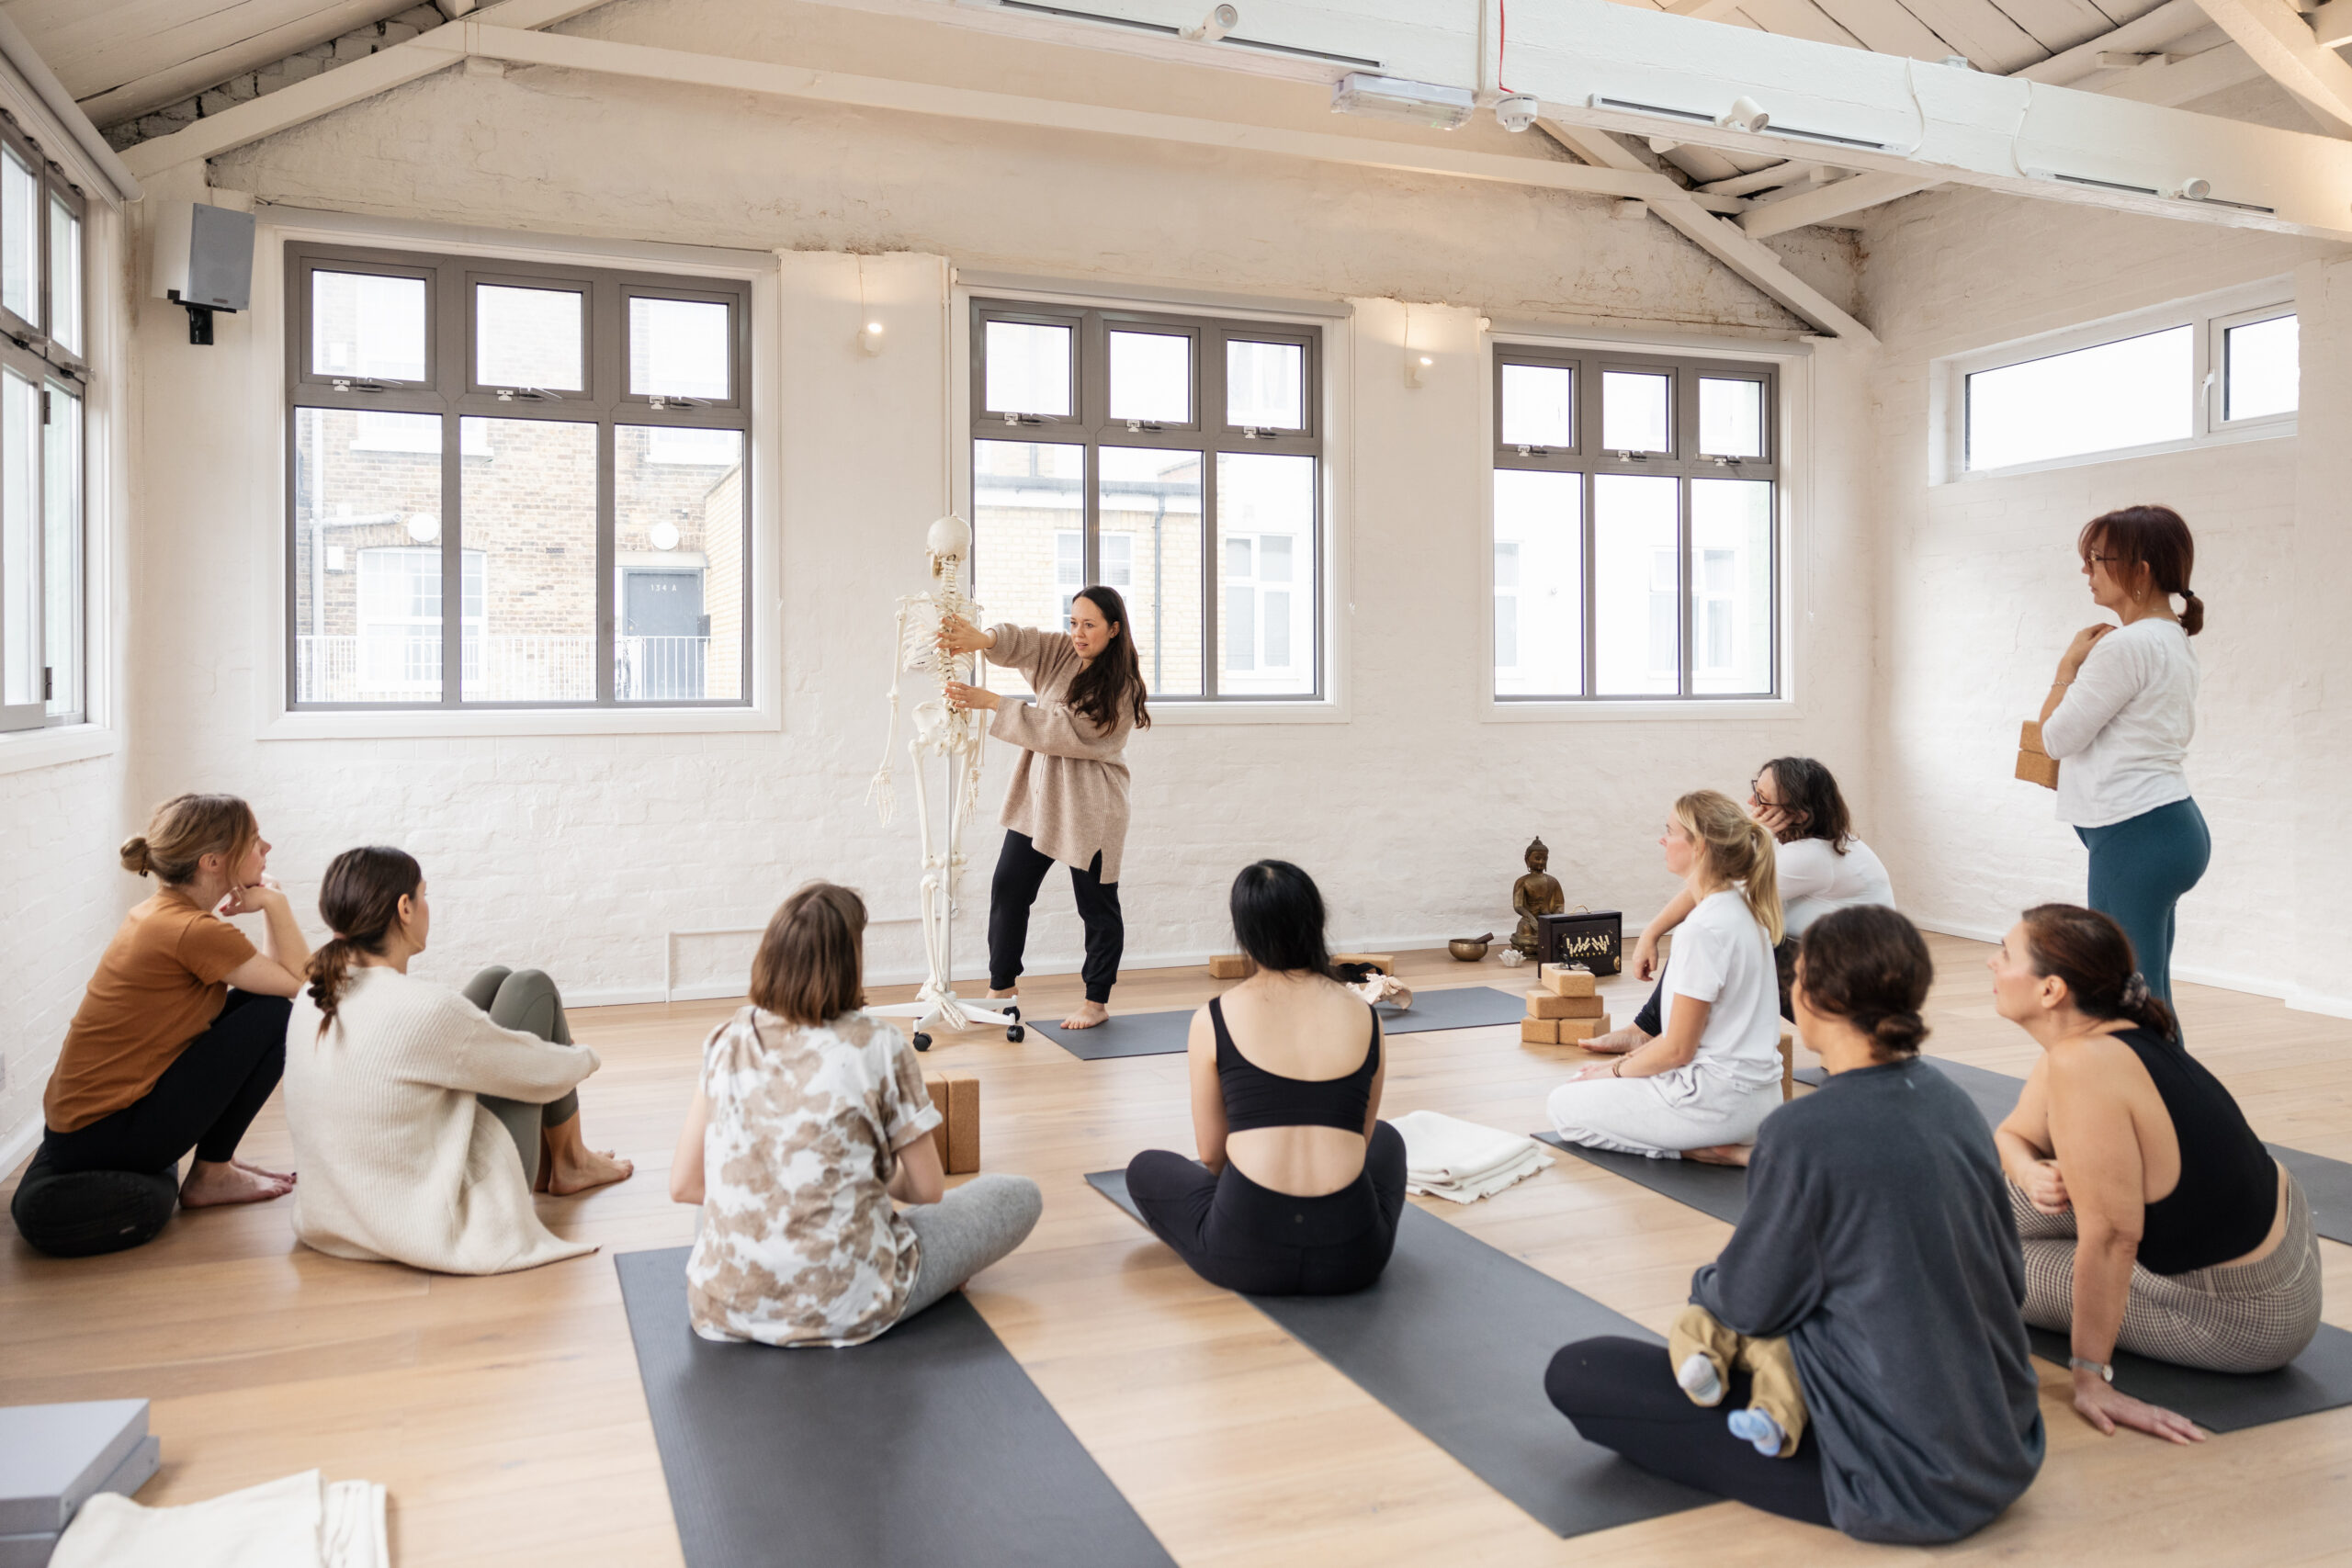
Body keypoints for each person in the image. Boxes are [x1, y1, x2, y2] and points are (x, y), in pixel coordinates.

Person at [1547, 907, 2045, 1543]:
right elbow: (2010, 1278)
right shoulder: (1955, 1104)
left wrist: (1708, 1285)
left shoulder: (1802, 1131)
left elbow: (1748, 1302)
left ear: (1817, 996)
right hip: (2006, 1442)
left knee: (1583, 1370)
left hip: (1906, 1480)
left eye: (1799, 979)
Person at [1990, 903, 2320, 1440]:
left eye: (2005, 954)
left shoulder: (2083, 1063)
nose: (1991, 963)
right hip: (2274, 1236)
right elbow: (2013, 1136)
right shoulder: (2093, 1040)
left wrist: (2090, 1378)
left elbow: (2115, 1237)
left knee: (1970, 1260)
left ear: (2050, 990)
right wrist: (2029, 1173)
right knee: (1986, 1205)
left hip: (2248, 1311)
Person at [672, 881, 1042, 1347]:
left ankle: (759, 1270)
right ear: (851, 963)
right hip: (850, 1306)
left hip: (718, 1308)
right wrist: (854, 1176)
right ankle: (898, 1273)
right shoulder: (878, 1043)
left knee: (735, 1189)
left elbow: (686, 1185)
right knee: (1017, 1195)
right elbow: (927, 1190)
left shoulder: (726, 1038)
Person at [281, 847, 632, 1275]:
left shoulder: (313, 993)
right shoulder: (422, 1009)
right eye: (424, 896)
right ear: (404, 908)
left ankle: (568, 1161)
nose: (428, 907)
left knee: (495, 979)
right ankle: (572, 1163)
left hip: (336, 1218)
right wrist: (581, 1054)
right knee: (530, 986)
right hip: (435, 1222)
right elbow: (543, 1074)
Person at [1125, 861, 1406, 1295]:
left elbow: (1213, 1156)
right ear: (1317, 923)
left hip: (1244, 1253)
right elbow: (1362, 1141)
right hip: (1352, 1258)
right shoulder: (1366, 1017)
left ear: (1244, 934)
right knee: (1388, 1139)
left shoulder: (1212, 1017)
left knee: (1146, 1168)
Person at [37, 794, 309, 1213]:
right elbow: (300, 983)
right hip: (102, 1135)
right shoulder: (193, 931)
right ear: (213, 862)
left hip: (80, 1131)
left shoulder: (160, 913)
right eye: (255, 839)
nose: (266, 849)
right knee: (275, 1017)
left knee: (262, 1004)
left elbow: (278, 981)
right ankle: (212, 1175)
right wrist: (275, 902)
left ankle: (219, 1165)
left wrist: (270, 902)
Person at [939, 585, 1148, 1031]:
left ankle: (1096, 1001)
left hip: (1092, 808)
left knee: (1096, 905)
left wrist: (994, 703)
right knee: (1009, 887)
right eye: (1074, 622)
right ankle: (1002, 991)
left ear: (1114, 629)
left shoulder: (1122, 688)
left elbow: (1062, 731)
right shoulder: (1063, 653)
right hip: (1040, 800)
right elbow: (1026, 641)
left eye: (1089, 625)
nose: (1078, 632)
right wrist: (986, 639)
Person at [1593, 757, 1890, 1052]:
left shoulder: (1810, 857)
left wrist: (1651, 934)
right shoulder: (1811, 843)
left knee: (1718, 930)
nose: (1750, 800)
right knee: (1733, 925)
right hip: (1846, 984)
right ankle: (1670, 1029)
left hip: (1854, 1007)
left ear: (1798, 815)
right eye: (1754, 788)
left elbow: (1712, 889)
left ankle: (1646, 1030)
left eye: (1763, 799)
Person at [1547, 792, 1783, 1160]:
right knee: (1595, 1081)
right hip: (1762, 1102)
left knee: (1564, 1105)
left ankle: (1708, 1152)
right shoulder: (1744, 906)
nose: (1662, 839)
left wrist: (1611, 1074)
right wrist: (1614, 1067)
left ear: (1700, 846)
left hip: (1716, 1106)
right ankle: (1716, 1144)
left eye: (1669, 831)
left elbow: (1677, 1049)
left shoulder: (1703, 929)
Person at [2037, 504, 2207, 1012]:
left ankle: (2149, 1088)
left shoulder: (2125, 648)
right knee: (2147, 985)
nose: (2086, 572)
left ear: (2140, 569)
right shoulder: (2171, 637)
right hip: (2165, 827)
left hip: (2135, 835)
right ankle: (2165, 1088)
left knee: (2128, 988)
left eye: (2096, 560)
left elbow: (2054, 738)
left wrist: (2067, 665)